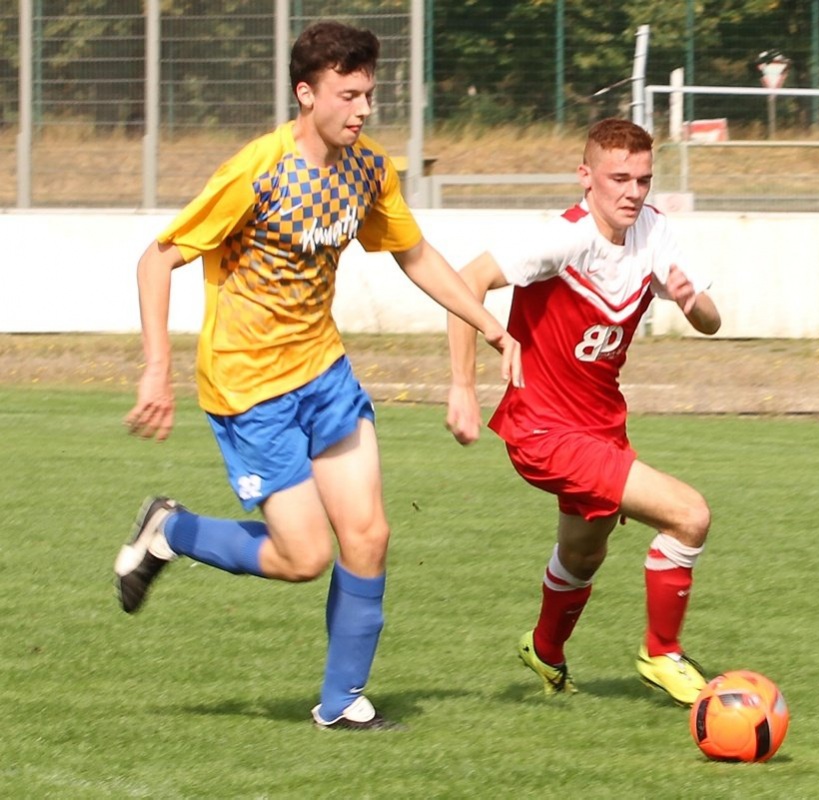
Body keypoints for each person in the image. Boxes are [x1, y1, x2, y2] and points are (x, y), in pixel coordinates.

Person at [114, 20, 521, 732]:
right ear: (307, 94)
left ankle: (341, 703)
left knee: (368, 533)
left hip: (323, 371)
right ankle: (171, 532)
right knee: (305, 557)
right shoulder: (257, 171)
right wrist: (157, 370)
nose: (362, 110)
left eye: (369, 95)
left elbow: (414, 253)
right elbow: (157, 259)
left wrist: (488, 324)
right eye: (348, 95)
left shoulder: (368, 169)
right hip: (249, 390)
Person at [446, 118, 721, 706]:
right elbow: (465, 281)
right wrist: (462, 386)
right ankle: (662, 653)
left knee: (583, 552)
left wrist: (693, 303)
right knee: (689, 516)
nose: (632, 191)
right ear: (586, 177)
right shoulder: (562, 239)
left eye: (643, 179)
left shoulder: (653, 232)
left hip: (601, 427)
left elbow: (712, 319)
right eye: (618, 178)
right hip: (542, 428)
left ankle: (544, 650)